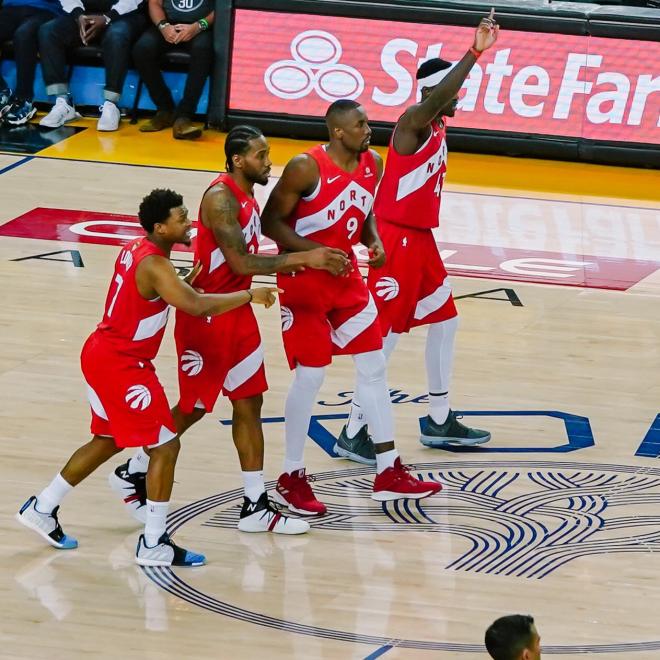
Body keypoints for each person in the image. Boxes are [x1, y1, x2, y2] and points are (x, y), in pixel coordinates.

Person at [16, 188, 280, 566]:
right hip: (122, 363)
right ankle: (154, 542)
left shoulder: (139, 250)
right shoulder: (157, 266)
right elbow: (196, 304)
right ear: (160, 227)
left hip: (101, 352)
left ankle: (42, 506)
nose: (189, 222)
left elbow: (153, 291)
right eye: (181, 218)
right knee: (166, 446)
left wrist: (183, 277)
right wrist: (247, 296)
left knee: (107, 440)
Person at [112, 125, 351, 533]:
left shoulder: (247, 194)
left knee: (250, 402)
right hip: (208, 316)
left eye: (268, 152)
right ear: (238, 160)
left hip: (237, 311)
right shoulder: (221, 198)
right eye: (260, 155)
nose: (268, 161)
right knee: (194, 407)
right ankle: (134, 467)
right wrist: (304, 258)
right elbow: (240, 263)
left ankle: (255, 505)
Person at [260, 99, 442, 516]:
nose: (368, 128)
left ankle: (388, 470)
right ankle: (291, 474)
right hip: (304, 279)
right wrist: (315, 252)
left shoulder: (372, 163)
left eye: (367, 122)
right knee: (311, 375)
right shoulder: (305, 167)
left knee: (374, 367)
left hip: (346, 279)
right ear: (337, 132)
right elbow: (272, 224)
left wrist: (371, 239)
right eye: (359, 124)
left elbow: (364, 212)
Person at [337, 10, 500, 464]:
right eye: (454, 92)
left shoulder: (438, 125)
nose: (460, 99)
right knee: (383, 335)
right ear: (434, 93)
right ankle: (353, 430)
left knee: (446, 321)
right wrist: (474, 53)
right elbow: (439, 95)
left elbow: (445, 95)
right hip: (397, 239)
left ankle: (439, 417)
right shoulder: (412, 123)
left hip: (420, 239)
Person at [37, 0, 147, 131]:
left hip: (125, 14)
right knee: (48, 31)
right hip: (86, 15)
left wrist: (108, 17)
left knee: (116, 35)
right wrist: (78, 16)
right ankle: (63, 102)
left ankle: (111, 104)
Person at [133, 0, 214, 139]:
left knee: (203, 50)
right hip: (169, 24)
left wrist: (199, 26)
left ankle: (184, 116)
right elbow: (154, 3)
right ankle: (165, 109)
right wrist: (163, 26)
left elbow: (223, 7)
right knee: (142, 50)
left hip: (201, 26)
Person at [0, 0, 61, 125]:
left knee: (23, 35)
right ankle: (2, 92)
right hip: (11, 6)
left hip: (45, 9)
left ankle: (24, 99)